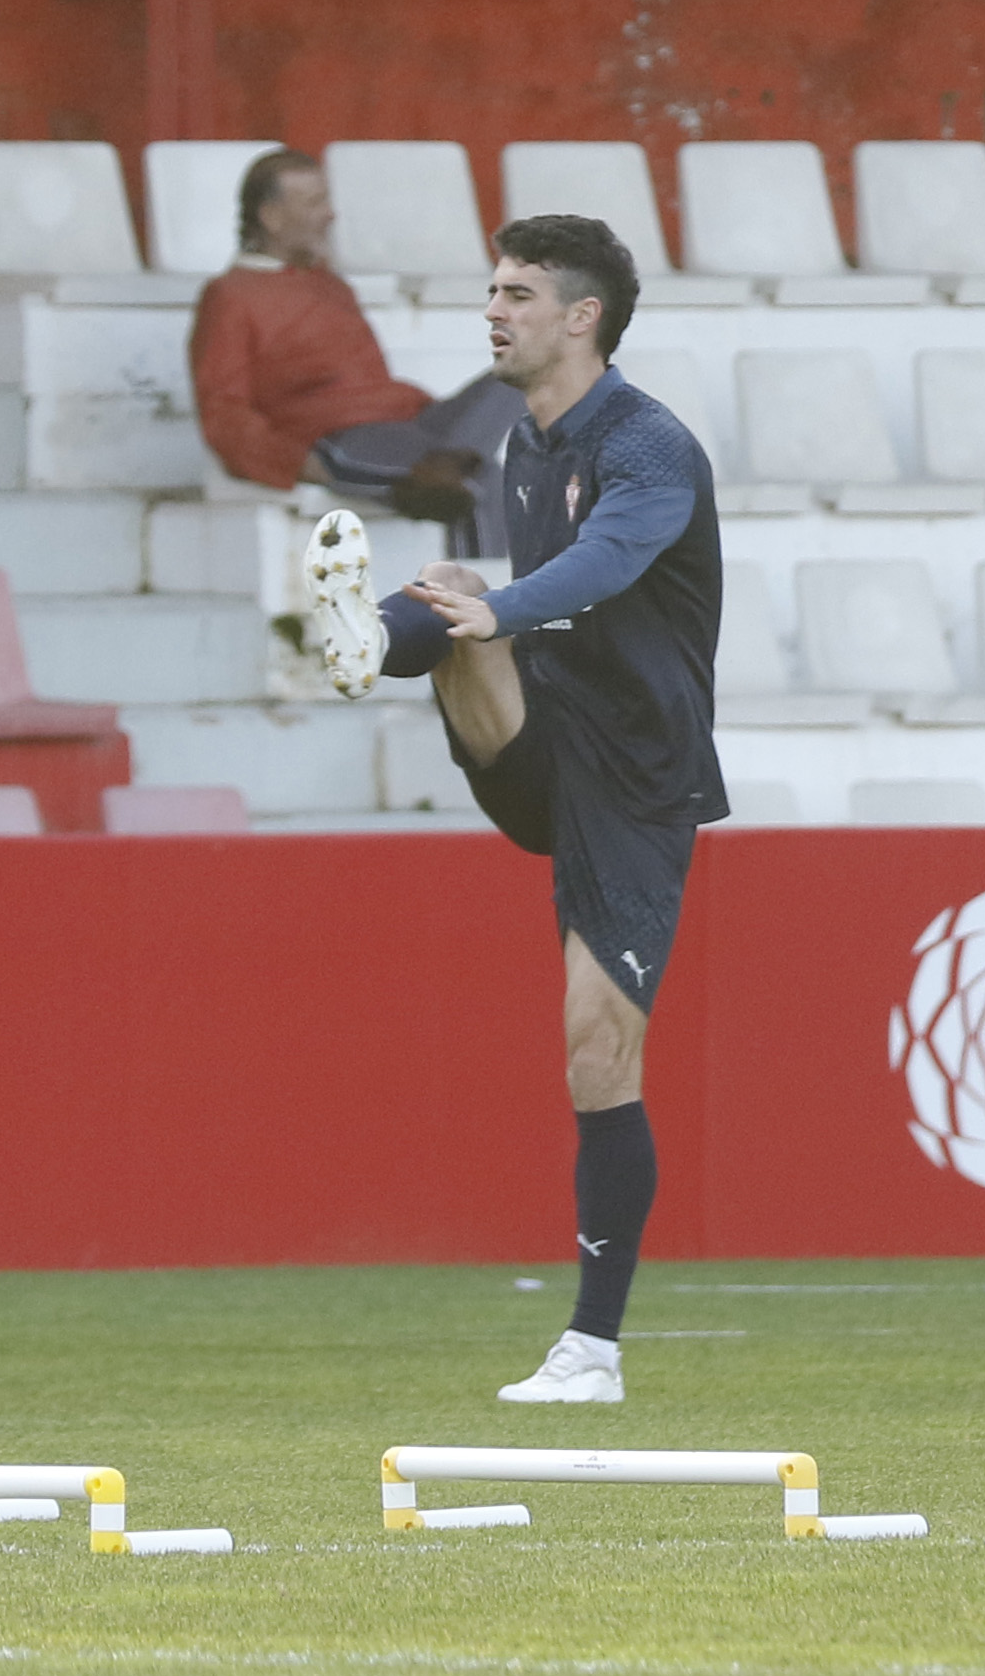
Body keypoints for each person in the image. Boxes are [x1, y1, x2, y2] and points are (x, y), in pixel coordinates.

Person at [301, 214, 729, 1402]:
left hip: (639, 778)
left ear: (581, 317)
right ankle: (363, 639)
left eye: (518, 293)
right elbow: (520, 605)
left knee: (597, 1053)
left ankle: (591, 1350)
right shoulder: (521, 441)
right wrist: (485, 613)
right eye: (491, 290)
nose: (493, 311)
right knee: (446, 590)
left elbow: (605, 565)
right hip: (546, 733)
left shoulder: (648, 447)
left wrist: (504, 610)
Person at [188, 148, 525, 553]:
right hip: (339, 440)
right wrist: (295, 463)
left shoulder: (330, 284)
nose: (330, 215)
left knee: (534, 365)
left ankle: (448, 461)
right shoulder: (230, 296)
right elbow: (222, 411)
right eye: (314, 203)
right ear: (271, 217)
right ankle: (488, 610)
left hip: (412, 424)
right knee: (480, 483)